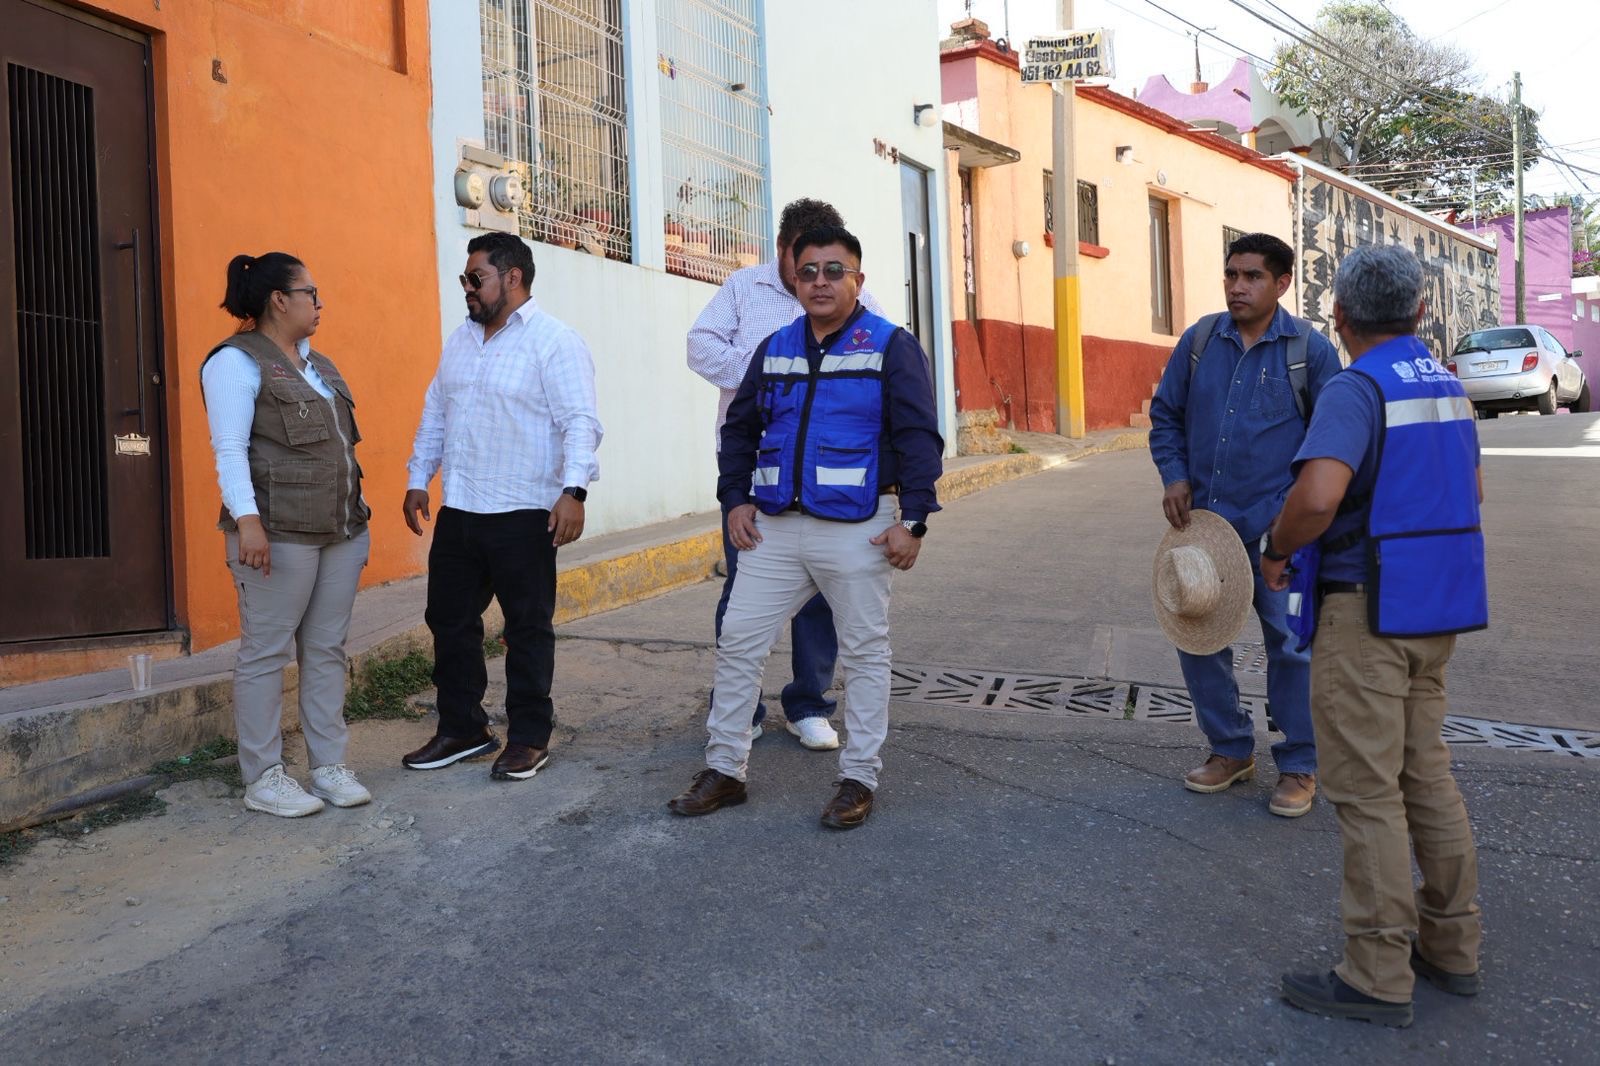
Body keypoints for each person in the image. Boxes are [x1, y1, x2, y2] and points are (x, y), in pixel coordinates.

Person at [1268, 245, 1486, 1028]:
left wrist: (1276, 548)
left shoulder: (1356, 387)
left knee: (1366, 794)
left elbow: (1317, 497)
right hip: (1437, 608)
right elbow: (1472, 488)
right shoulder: (1447, 386)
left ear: (1339, 316)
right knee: (1426, 776)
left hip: (1366, 612)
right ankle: (1452, 947)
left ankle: (1377, 971)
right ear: (1420, 312)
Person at [668, 225, 944, 829]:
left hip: (858, 527)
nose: (821, 282)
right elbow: (740, 429)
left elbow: (920, 436)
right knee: (739, 639)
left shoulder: (891, 345)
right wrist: (735, 499)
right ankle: (725, 769)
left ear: (858, 281)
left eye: (834, 271)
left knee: (865, 652)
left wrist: (915, 519)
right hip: (774, 527)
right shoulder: (775, 346)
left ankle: (858, 778)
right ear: (794, 280)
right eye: (809, 272)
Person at [1147, 232, 1342, 817]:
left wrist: (1301, 517)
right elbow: (1165, 415)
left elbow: (1331, 443)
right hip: (1207, 530)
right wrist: (1174, 476)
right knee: (1198, 638)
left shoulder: (1310, 351)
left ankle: (1300, 764)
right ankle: (1230, 748)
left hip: (1283, 536)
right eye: (1231, 274)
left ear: (1281, 283)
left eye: (1252, 276)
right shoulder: (1200, 341)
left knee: (1293, 647)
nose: (1237, 286)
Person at [687, 198, 887, 752]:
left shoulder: (853, 295)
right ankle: (740, 707)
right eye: (802, 262)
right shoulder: (743, 287)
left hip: (833, 474)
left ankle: (809, 704)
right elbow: (699, 346)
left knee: (823, 591)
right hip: (755, 466)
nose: (815, 276)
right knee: (744, 587)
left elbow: (881, 356)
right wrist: (767, 372)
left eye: (828, 266)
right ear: (782, 251)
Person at [401, 232, 602, 782]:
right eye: (465, 279)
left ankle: (529, 737)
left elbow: (580, 423)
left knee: (527, 628)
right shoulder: (460, 340)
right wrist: (419, 478)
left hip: (524, 511)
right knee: (449, 621)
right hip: (462, 507)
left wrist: (574, 491)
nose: (467, 288)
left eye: (476, 278)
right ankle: (462, 728)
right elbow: (436, 413)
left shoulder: (555, 342)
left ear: (512, 277)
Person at [202, 252, 373, 818]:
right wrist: (247, 521)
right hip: (276, 534)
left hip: (340, 529)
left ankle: (328, 766)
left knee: (325, 650)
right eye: (310, 293)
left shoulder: (318, 364)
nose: (319, 304)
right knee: (266, 653)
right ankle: (264, 776)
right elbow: (229, 448)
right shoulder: (236, 362)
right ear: (280, 299)